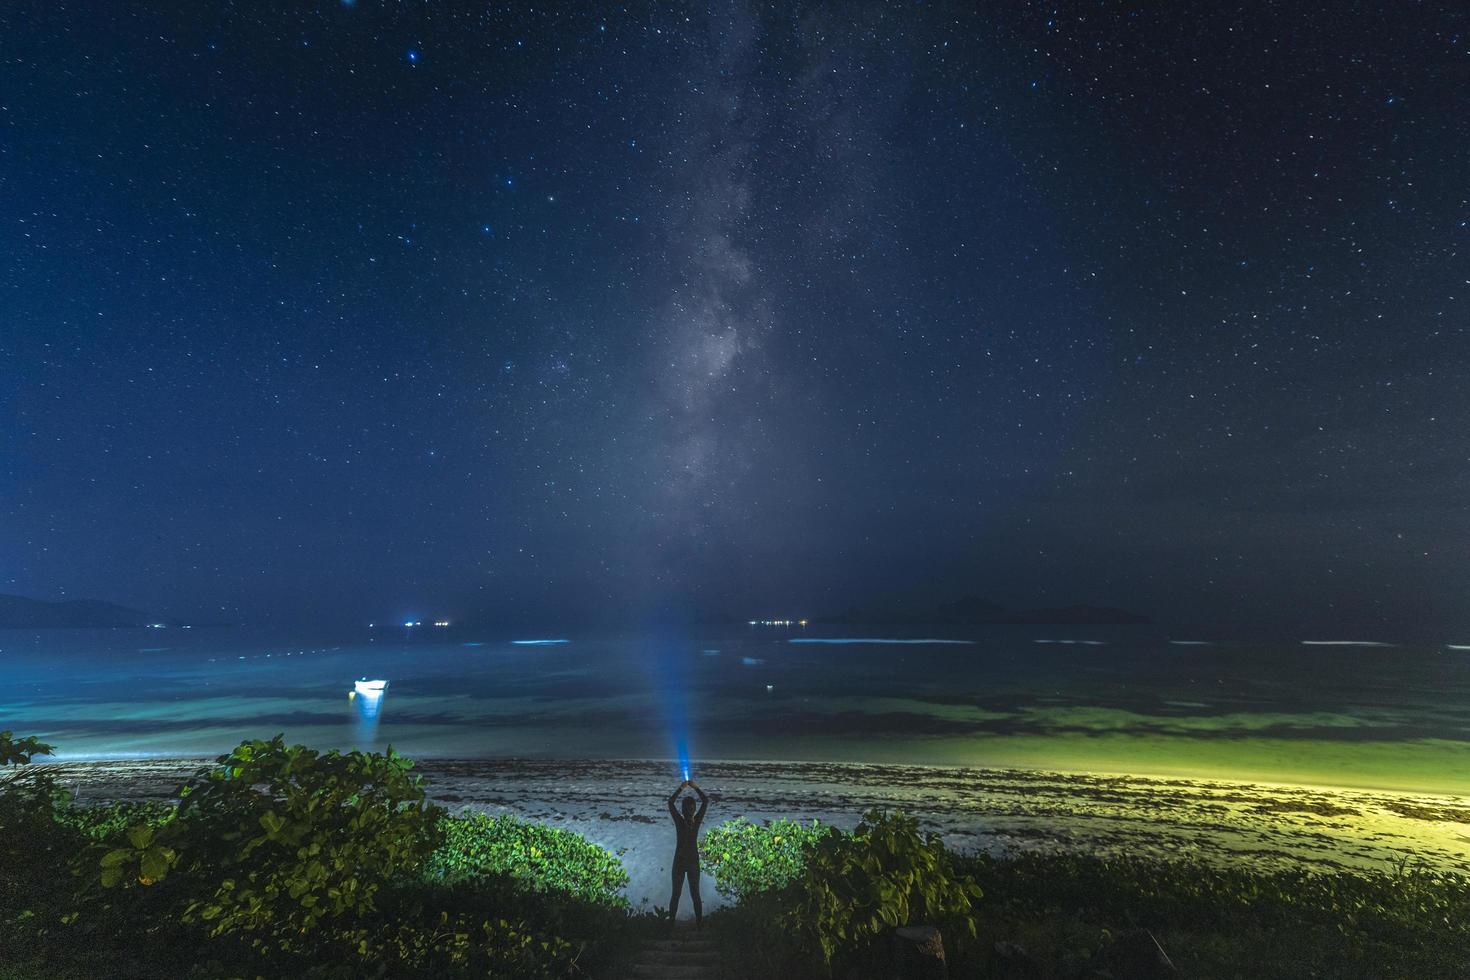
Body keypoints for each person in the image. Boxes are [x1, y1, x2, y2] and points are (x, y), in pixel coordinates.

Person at [666, 777, 709, 926]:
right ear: (694, 809)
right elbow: (706, 801)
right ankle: (699, 925)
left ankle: (671, 925)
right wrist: (696, 788)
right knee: (695, 895)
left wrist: (681, 788)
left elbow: (670, 803)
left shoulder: (679, 821)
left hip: (679, 861)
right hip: (692, 862)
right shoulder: (696, 822)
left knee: (676, 895)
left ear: (683, 810)